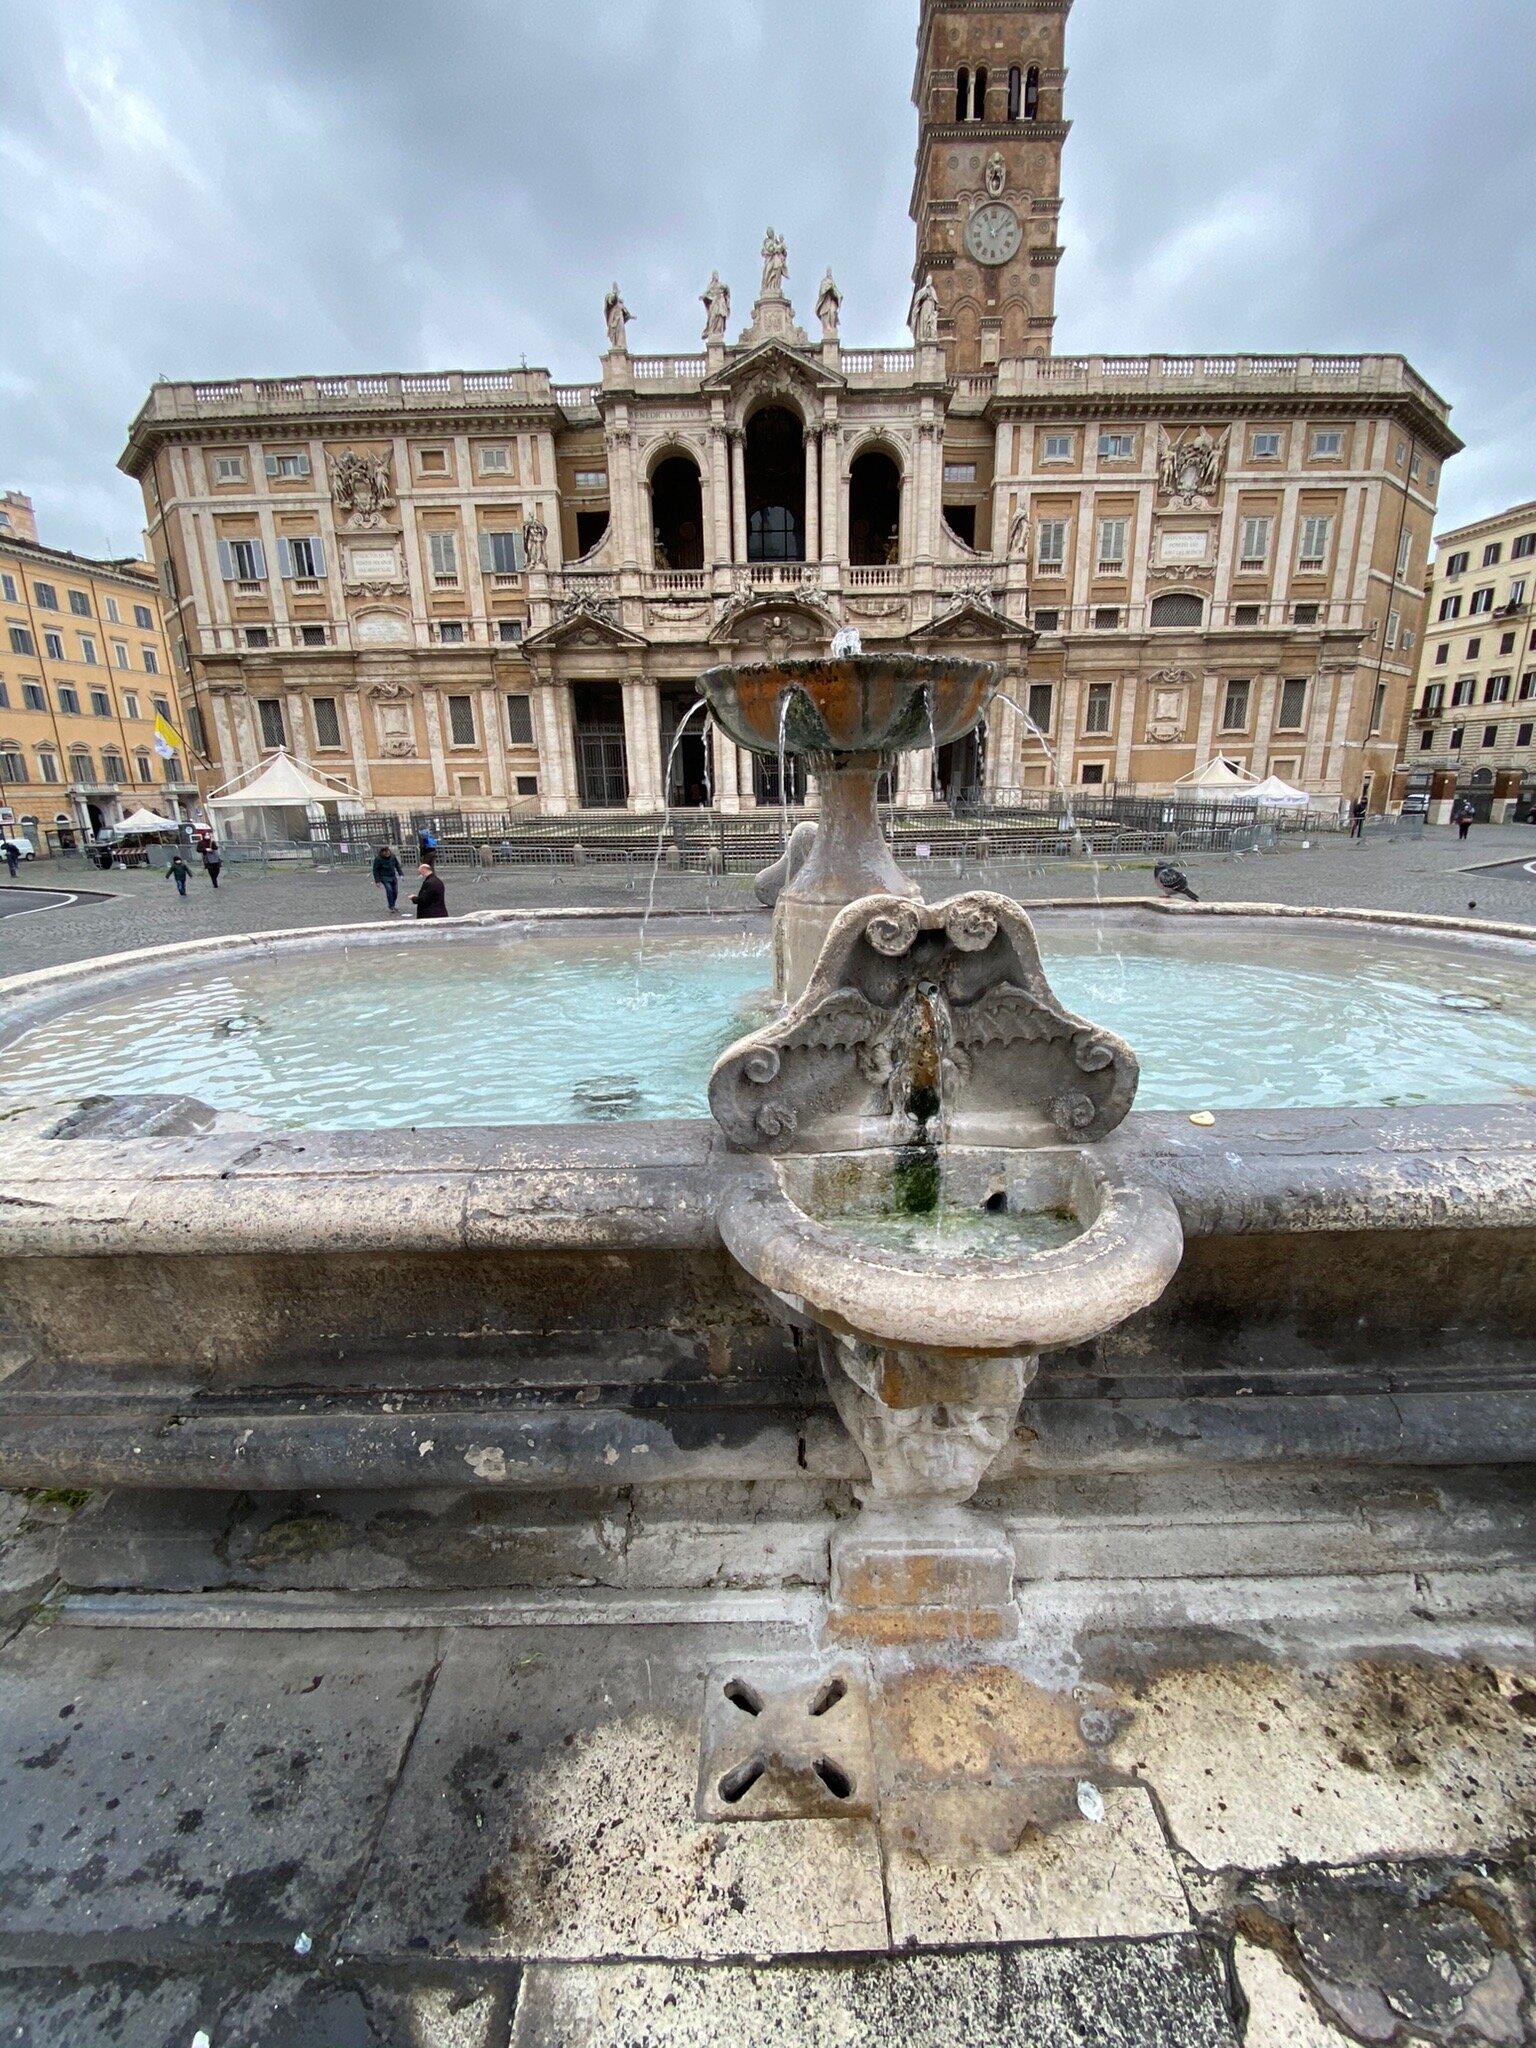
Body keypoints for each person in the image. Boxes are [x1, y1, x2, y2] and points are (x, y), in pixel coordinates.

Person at [372, 843, 403, 913]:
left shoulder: (392, 856)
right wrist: (377, 881)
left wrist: (401, 874)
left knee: (395, 892)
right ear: (382, 852)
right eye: (385, 852)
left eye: (388, 852)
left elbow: (397, 865)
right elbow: (375, 870)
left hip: (393, 876)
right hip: (384, 877)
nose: (387, 853)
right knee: (389, 890)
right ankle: (391, 906)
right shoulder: (378, 859)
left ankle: (393, 904)